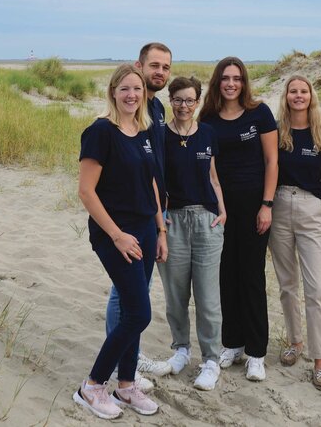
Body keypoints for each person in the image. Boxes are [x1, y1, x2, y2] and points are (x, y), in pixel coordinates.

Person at [73, 64, 168, 419]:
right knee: (139, 313)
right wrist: (116, 235)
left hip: (145, 229)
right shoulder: (101, 132)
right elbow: (86, 191)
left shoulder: (143, 130)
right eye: (125, 88)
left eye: (137, 89)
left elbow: (152, 183)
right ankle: (91, 386)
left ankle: (126, 386)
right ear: (113, 91)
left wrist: (160, 230)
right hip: (115, 234)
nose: (131, 95)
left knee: (133, 310)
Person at [199, 56, 278, 382]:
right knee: (225, 275)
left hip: (254, 208)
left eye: (237, 78)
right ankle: (232, 342)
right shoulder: (207, 117)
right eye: (225, 78)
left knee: (251, 276)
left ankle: (256, 352)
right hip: (219, 209)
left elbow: (272, 161)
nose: (231, 84)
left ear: (244, 82)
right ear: (217, 82)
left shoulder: (259, 113)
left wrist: (267, 205)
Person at [105, 42, 174, 386]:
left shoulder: (156, 108)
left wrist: (161, 218)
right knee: (125, 290)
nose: (160, 72)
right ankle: (121, 362)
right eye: (154, 66)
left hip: (152, 210)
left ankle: (130, 355)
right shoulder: (127, 107)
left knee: (138, 288)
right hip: (130, 213)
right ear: (139, 65)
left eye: (165, 67)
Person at [158, 76, 227, 390]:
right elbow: (154, 181)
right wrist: (160, 220)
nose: (183, 106)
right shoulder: (160, 135)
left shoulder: (208, 133)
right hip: (172, 221)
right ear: (170, 101)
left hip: (206, 221)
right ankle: (181, 350)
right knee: (176, 296)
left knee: (208, 298)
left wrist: (221, 211)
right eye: (178, 100)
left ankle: (211, 359)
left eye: (189, 100)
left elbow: (213, 176)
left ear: (198, 102)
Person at [269, 75, 321, 390]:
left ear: (311, 96)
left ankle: (320, 360)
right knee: (287, 284)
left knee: (316, 288)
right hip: (280, 204)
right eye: (293, 91)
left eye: (303, 91)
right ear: (286, 96)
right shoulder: (276, 132)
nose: (298, 96)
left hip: (311, 208)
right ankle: (295, 341)